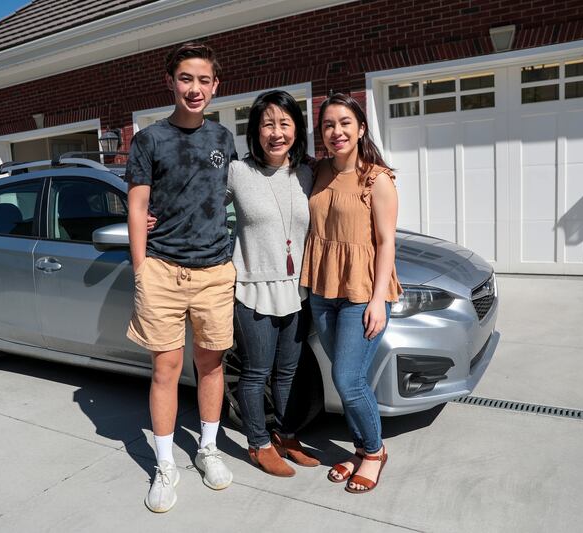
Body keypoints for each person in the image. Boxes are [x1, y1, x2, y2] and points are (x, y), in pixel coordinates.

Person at [125, 41, 237, 513]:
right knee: (165, 370)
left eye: (203, 80)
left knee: (211, 366)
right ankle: (166, 464)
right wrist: (140, 269)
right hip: (163, 272)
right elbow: (137, 205)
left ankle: (208, 448)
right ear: (170, 82)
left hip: (214, 271)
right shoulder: (148, 139)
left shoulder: (224, 139)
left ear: (215, 85)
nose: (195, 88)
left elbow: (237, 193)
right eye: (186, 79)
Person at [300, 93, 401, 494]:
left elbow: (386, 242)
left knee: (349, 378)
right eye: (328, 125)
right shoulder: (317, 170)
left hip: (361, 292)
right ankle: (360, 448)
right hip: (323, 290)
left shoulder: (377, 179)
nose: (336, 131)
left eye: (344, 123)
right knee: (344, 380)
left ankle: (374, 453)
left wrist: (378, 299)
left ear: (360, 128)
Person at [226, 90, 320, 476]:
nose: (276, 133)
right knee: (255, 372)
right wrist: (152, 216)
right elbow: (198, 206)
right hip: (252, 288)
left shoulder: (308, 173)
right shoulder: (237, 173)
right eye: (268, 124)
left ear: (297, 128)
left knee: (288, 373)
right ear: (255, 131)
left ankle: (286, 435)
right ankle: (258, 443)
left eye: (284, 123)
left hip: (297, 288)